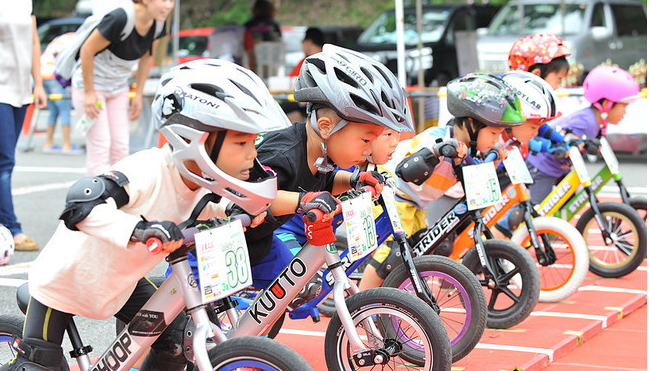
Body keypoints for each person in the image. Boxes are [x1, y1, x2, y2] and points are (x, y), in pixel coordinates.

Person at [3, 59, 291, 371]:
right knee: (36, 366)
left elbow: (214, 207)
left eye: (252, 142)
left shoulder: (201, 182)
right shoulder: (148, 170)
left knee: (177, 344)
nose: (252, 153)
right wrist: (142, 230)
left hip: (119, 285)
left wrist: (240, 213)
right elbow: (81, 204)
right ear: (195, 140)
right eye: (241, 142)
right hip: (65, 282)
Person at [358, 73, 524, 289]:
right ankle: (360, 307)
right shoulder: (437, 138)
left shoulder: (472, 152)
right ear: (470, 124)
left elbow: (476, 178)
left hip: (415, 206)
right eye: (493, 133)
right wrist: (437, 151)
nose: (496, 139)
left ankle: (392, 301)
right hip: (388, 197)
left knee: (416, 255)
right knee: (391, 257)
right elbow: (405, 170)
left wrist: (495, 159)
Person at [71, 0, 173, 176]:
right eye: (164, 0)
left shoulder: (158, 23)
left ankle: (119, 196)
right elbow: (86, 50)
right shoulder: (120, 18)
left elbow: (147, 58)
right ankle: (96, 199)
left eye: (171, 0)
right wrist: (89, 94)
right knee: (100, 146)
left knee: (120, 146)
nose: (169, 6)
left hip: (119, 88)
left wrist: (138, 95)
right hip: (91, 87)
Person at [525, 65, 639, 205]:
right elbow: (562, 136)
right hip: (542, 166)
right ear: (608, 104)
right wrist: (572, 143)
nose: (625, 113)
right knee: (539, 209)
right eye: (624, 107)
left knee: (571, 203)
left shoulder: (595, 122)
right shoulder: (585, 121)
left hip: (560, 168)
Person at [0, 2, 48, 252]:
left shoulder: (24, 2)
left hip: (19, 90)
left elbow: (32, 42)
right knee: (4, 164)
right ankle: (12, 228)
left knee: (5, 162)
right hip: (1, 91)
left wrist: (37, 84)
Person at [40, 33, 83, 154]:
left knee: (53, 110)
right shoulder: (75, 39)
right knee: (64, 108)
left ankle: (48, 143)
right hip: (56, 75)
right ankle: (67, 144)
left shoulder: (59, 38)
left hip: (42, 73)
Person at [282, 27, 325, 123]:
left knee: (287, 106)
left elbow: (291, 80)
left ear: (308, 42)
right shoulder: (327, 57)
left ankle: (301, 133)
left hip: (315, 100)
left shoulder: (309, 61)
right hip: (318, 99)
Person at [243, 0, 282, 72]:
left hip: (251, 62)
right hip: (271, 61)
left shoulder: (248, 24)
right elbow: (280, 42)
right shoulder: (274, 24)